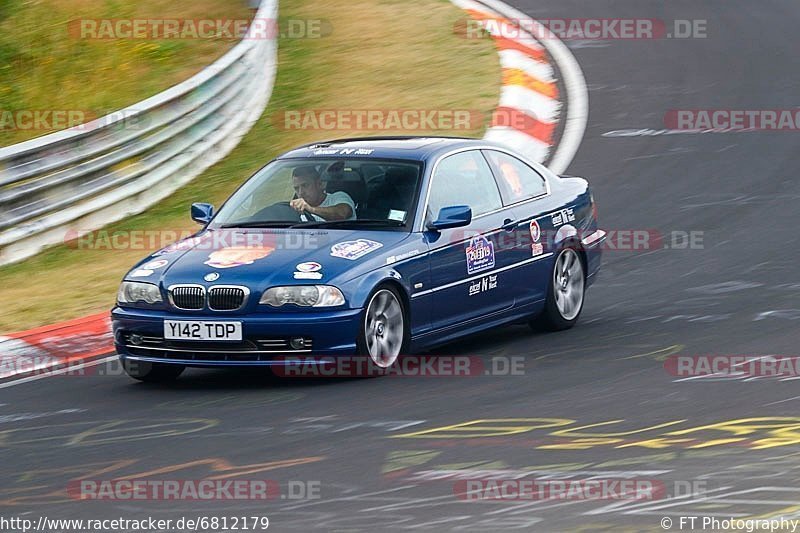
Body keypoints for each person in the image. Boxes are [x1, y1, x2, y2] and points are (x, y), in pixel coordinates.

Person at [289, 165, 356, 221]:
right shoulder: (295, 210)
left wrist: (311, 209)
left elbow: (342, 214)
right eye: (296, 188)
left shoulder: (338, 197)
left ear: (320, 184)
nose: (300, 193)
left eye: (305, 186)